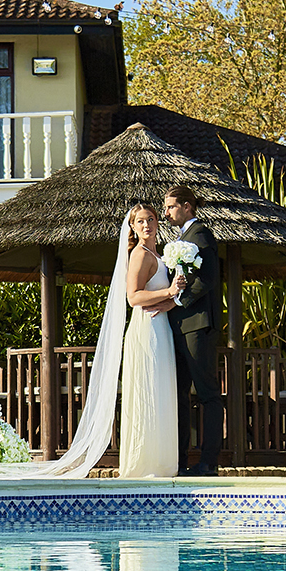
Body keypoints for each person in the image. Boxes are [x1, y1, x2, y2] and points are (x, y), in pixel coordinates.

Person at [162, 185, 224, 476]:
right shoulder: (182, 238)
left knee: (207, 394)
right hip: (179, 327)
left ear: (187, 206)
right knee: (180, 396)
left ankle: (209, 462)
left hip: (198, 326)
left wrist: (179, 300)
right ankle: (180, 460)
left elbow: (208, 278)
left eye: (170, 207)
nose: (166, 213)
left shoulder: (200, 234)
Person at [119, 203, 180, 478]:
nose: (147, 225)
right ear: (133, 227)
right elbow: (134, 297)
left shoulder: (159, 253)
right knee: (149, 387)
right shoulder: (140, 255)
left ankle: (162, 461)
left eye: (151, 219)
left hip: (161, 326)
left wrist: (172, 300)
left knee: (161, 389)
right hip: (147, 329)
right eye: (141, 221)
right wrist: (169, 292)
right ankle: (144, 462)